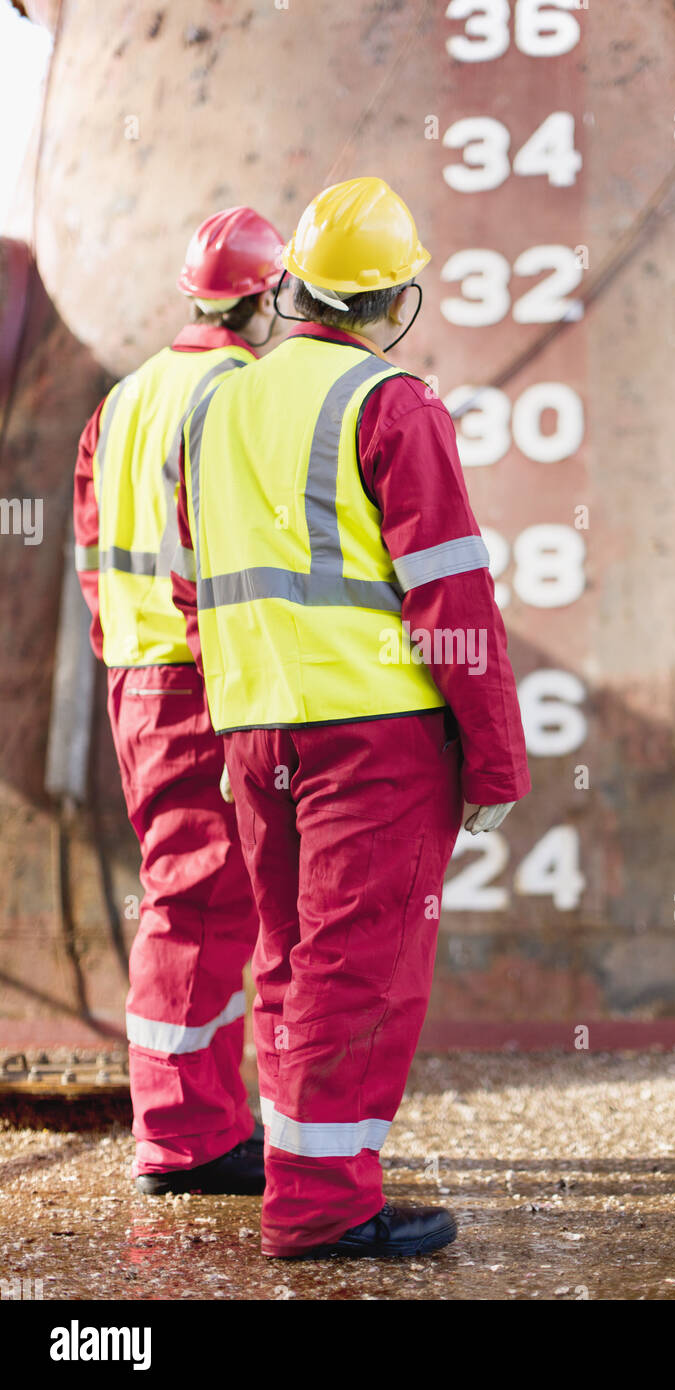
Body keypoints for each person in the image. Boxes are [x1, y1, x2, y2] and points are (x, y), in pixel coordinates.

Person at [171, 176, 530, 1256]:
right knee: (356, 964)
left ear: (295, 293)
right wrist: (498, 764)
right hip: (371, 736)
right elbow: (450, 592)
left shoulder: (217, 404)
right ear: (394, 303)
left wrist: (244, 698)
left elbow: (194, 587)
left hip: (253, 729)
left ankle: (303, 1165)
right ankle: (322, 1204)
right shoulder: (392, 403)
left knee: (287, 956)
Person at [73, 206, 286, 1195]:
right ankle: (186, 1137)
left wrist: (127, 648)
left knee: (195, 902)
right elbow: (228, 551)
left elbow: (88, 549)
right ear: (265, 296)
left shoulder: (123, 400)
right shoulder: (237, 394)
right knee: (201, 907)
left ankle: (202, 1121)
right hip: (202, 679)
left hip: (136, 674)